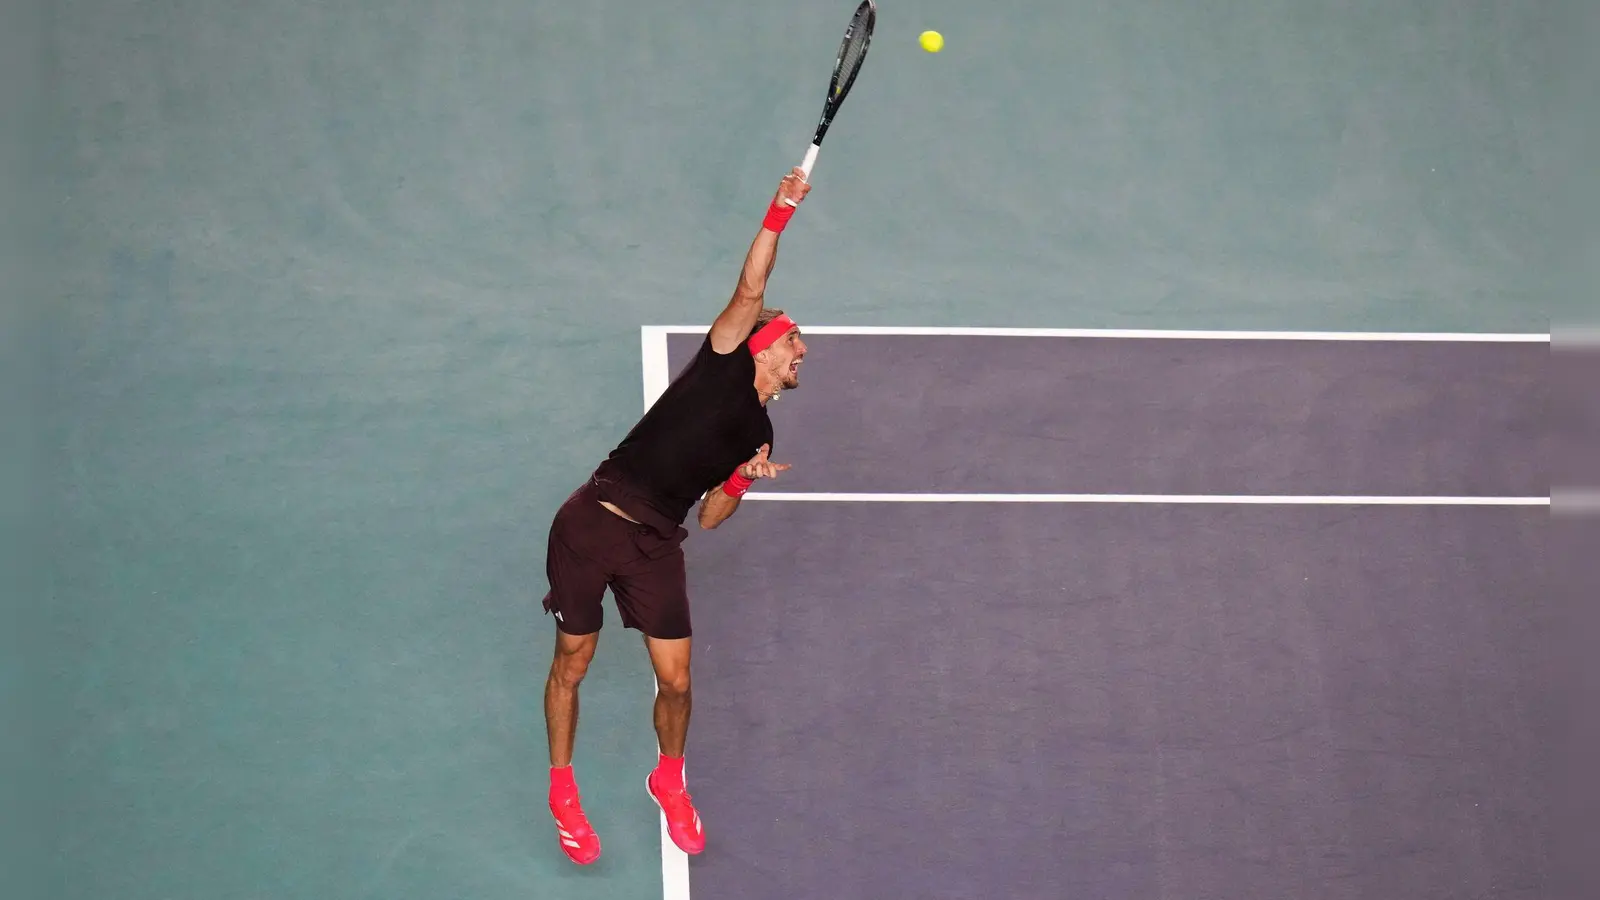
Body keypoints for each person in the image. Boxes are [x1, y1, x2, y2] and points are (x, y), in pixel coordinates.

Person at [540, 167, 813, 865]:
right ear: (761, 342)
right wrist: (777, 213)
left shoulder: (762, 434)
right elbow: (750, 288)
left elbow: (715, 516)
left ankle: (669, 778)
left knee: (679, 680)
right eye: (793, 341)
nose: (802, 351)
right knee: (574, 662)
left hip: (655, 544)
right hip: (590, 522)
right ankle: (563, 791)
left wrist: (743, 480)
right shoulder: (721, 357)